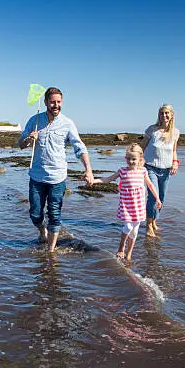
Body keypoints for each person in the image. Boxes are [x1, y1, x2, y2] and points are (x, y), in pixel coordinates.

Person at [18, 87, 94, 252]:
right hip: (37, 177)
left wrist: (88, 169)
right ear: (45, 102)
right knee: (35, 214)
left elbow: (79, 147)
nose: (56, 105)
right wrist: (29, 139)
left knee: (54, 214)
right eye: (52, 102)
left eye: (58, 102)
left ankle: (51, 251)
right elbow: (20, 144)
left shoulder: (67, 123)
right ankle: (42, 231)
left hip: (58, 178)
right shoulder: (34, 120)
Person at [93, 144, 162, 261]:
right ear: (125, 158)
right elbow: (108, 179)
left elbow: (150, 185)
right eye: (129, 158)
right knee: (128, 226)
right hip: (127, 206)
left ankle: (129, 253)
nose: (131, 161)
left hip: (138, 206)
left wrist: (157, 198)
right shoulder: (122, 171)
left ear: (140, 159)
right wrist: (94, 181)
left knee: (134, 232)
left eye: (134, 159)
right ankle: (121, 247)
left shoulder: (143, 171)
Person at [141, 104, 180, 237]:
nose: (164, 115)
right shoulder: (152, 130)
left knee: (161, 197)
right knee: (153, 196)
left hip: (166, 169)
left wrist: (175, 162)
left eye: (167, 113)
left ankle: (154, 222)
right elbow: (142, 147)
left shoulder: (175, 132)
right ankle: (148, 226)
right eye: (162, 113)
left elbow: (174, 150)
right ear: (159, 115)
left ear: (172, 115)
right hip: (150, 167)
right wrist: (136, 161)